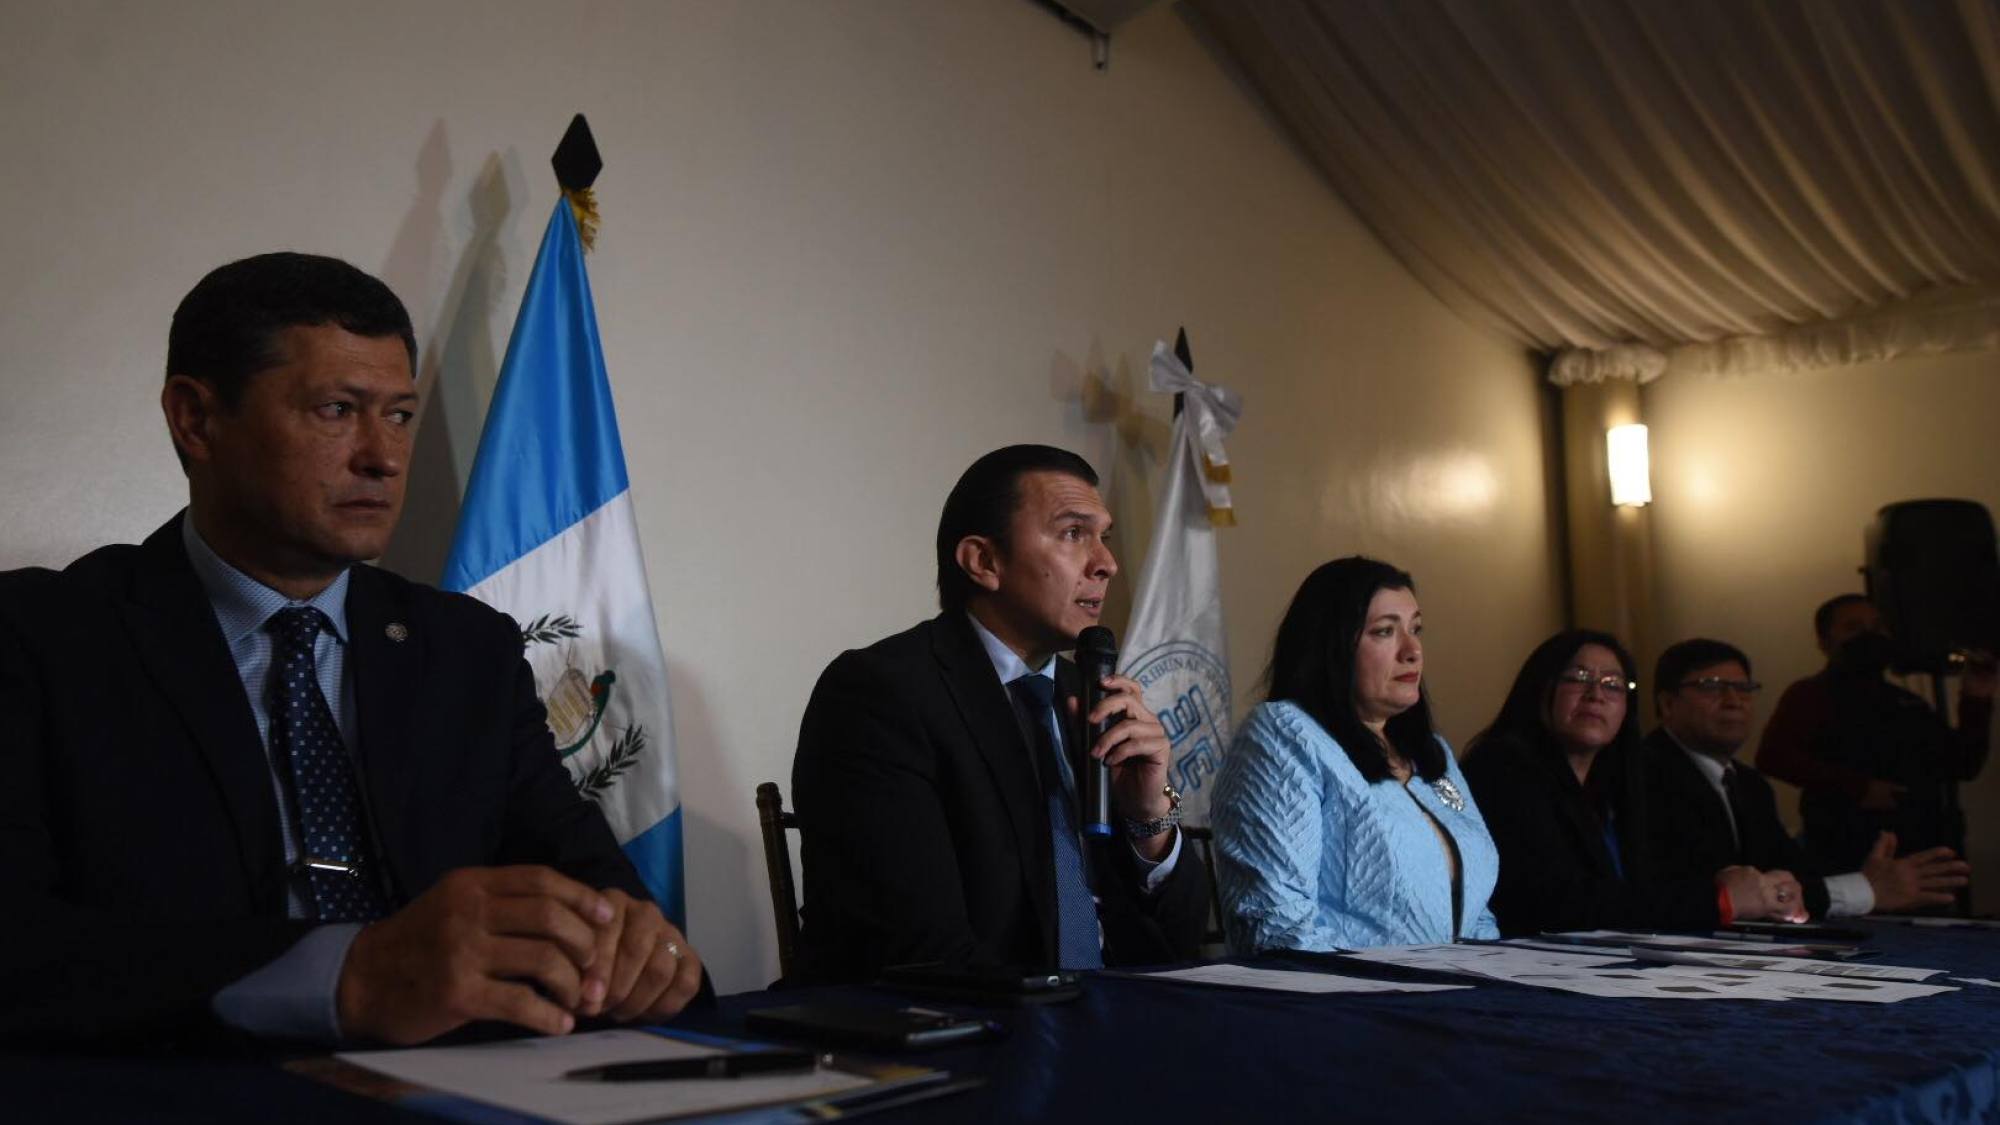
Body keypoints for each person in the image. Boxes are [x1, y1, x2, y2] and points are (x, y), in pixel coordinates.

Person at [0, 253, 702, 1048]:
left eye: (399, 415)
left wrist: (639, 951)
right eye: (336, 410)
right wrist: (351, 974)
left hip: (465, 1086)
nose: (384, 457)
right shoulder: (37, 638)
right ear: (196, 419)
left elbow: (595, 890)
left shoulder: (466, 649)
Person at [790, 445, 1208, 982]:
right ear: (983, 562)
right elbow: (916, 948)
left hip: (1116, 1008)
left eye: (1103, 536)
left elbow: (1180, 940)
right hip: (972, 1017)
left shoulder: (1092, 696)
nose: (1106, 563)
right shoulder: (881, 693)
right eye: (1073, 533)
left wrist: (1149, 817)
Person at [1210, 557, 1499, 953]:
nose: (1412, 650)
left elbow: (1478, 913)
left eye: (1416, 629)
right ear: (1331, 647)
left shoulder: (1432, 753)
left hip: (1460, 984)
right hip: (1344, 989)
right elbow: (1276, 926)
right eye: (1385, 631)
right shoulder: (1283, 735)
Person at [1461, 630, 1802, 936]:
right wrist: (1719, 900)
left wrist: (1744, 886)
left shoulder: (1619, 781)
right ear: (1540, 687)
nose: (1596, 694)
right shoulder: (1501, 767)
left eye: (1613, 684)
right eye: (1579, 678)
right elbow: (1555, 901)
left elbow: (1646, 886)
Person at [1636, 638, 1969, 919]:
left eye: (1744, 688)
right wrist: (1864, 890)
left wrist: (1868, 884)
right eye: (1712, 687)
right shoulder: (1641, 774)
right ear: (1667, 703)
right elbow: (1696, 892)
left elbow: (1793, 879)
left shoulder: (1750, 785)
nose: (1733, 701)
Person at [1757, 594, 1995, 874]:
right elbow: (1773, 756)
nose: (1870, 636)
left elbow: (1963, 764)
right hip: (1847, 853)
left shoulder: (1908, 702)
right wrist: (1858, 788)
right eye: (1854, 627)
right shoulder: (1810, 694)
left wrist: (1976, 699)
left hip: (1923, 849)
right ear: (1824, 641)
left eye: (1877, 626)